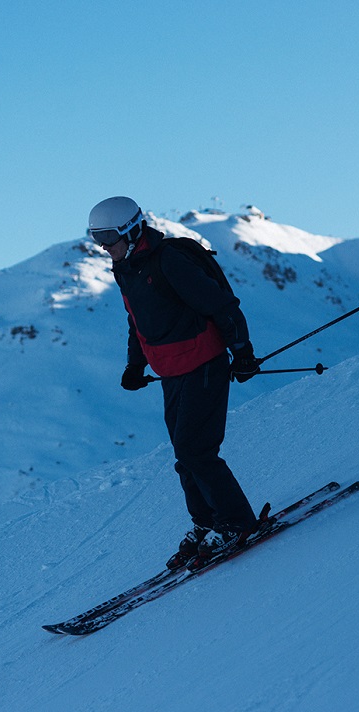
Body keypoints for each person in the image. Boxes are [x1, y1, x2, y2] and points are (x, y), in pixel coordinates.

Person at [87, 196, 262, 570]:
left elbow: (220, 304)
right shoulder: (126, 269)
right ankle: (207, 522)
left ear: (132, 230)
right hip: (171, 371)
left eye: (108, 237)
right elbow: (139, 322)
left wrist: (242, 350)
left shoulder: (169, 260)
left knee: (197, 450)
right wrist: (135, 365)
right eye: (96, 238)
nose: (104, 246)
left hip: (204, 363)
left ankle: (236, 521)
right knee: (185, 455)